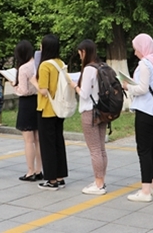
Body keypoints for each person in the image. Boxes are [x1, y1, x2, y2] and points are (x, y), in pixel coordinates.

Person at [122, 33, 153, 202]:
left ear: (143, 48)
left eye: (136, 49)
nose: (135, 53)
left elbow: (142, 88)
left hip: (145, 110)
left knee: (144, 150)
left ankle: (145, 191)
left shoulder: (144, 64)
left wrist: (127, 86)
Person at [70, 39, 108, 195]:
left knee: (94, 150)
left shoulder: (88, 69)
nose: (79, 55)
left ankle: (98, 184)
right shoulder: (101, 66)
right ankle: (101, 181)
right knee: (101, 148)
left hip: (90, 112)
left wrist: (75, 86)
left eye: (80, 53)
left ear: (84, 52)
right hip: (103, 111)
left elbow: (84, 94)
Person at [33, 34, 68, 191]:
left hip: (46, 109)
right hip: (59, 109)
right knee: (58, 142)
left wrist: (33, 82)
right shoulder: (61, 63)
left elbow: (43, 90)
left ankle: (51, 180)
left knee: (47, 145)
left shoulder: (45, 65)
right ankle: (60, 177)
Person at [12, 40, 43, 182]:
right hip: (37, 101)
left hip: (26, 104)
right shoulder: (37, 64)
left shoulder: (23, 68)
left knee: (28, 140)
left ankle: (30, 171)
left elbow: (23, 90)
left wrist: (15, 87)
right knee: (38, 139)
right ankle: (39, 170)